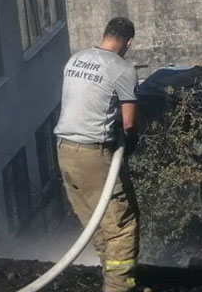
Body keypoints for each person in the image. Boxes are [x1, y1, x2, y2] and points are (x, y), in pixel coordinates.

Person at [54, 18, 142, 292]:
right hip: (94, 154)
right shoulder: (122, 69)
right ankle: (118, 288)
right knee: (122, 223)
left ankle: (111, 278)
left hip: (64, 150)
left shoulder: (75, 59)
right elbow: (128, 123)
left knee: (97, 219)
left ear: (104, 35)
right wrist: (131, 142)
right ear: (128, 42)